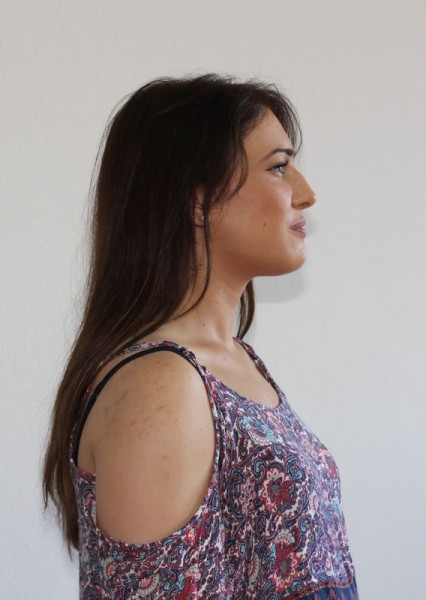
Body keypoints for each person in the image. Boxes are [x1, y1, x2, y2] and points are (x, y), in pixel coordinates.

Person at [43, 74, 359, 599]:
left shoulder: (233, 363)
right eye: (279, 167)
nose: (306, 194)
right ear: (197, 200)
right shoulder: (161, 384)